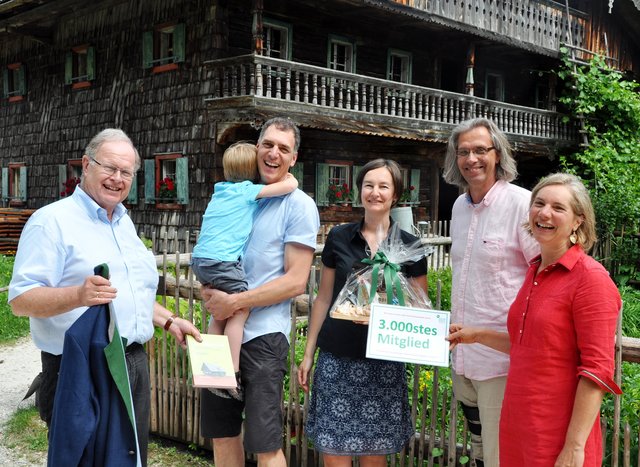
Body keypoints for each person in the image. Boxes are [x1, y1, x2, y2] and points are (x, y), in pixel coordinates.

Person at [8, 128, 201, 466]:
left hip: (132, 363)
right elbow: (20, 299)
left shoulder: (123, 222)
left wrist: (168, 319)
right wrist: (77, 295)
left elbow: (124, 295)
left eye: (126, 172)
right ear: (86, 164)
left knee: (128, 458)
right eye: (109, 167)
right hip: (79, 367)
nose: (117, 178)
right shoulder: (51, 222)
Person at [448, 173, 622, 466]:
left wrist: (574, 447)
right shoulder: (535, 270)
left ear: (578, 220)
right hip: (519, 424)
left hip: (557, 431)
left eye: (558, 207)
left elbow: (596, 372)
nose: (544, 212)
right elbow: (529, 345)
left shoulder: (590, 279)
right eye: (539, 203)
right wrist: (477, 336)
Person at [199, 117, 320, 467]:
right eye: (267, 144)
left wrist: (234, 302)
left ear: (293, 158)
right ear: (256, 149)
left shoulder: (298, 205)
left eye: (283, 148)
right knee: (221, 436)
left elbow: (295, 281)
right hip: (219, 333)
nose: (273, 153)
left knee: (265, 444)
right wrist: (210, 291)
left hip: (264, 338)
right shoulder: (239, 193)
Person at [297, 159, 429, 467]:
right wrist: (308, 352)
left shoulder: (410, 246)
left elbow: (420, 306)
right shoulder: (339, 238)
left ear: (395, 195)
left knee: (374, 457)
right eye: (369, 185)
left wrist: (383, 314)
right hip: (337, 359)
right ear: (359, 192)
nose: (375, 192)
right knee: (333, 454)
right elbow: (324, 298)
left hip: (383, 364)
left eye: (384, 186)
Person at [442, 118, 539, 467]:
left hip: (501, 359)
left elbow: (542, 274)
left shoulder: (522, 204)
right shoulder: (458, 207)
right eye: (464, 151)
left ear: (497, 154)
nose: (471, 159)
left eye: (480, 150)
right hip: (463, 357)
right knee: (480, 450)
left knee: (502, 456)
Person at [191, 141, 298, 400]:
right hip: (223, 261)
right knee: (239, 311)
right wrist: (291, 175)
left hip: (200, 259)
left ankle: (209, 370)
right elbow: (288, 186)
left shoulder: (220, 190)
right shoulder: (247, 191)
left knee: (219, 314)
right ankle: (231, 374)